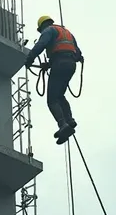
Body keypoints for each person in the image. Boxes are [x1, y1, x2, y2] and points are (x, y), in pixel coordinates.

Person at [25, 15, 83, 145]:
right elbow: (76, 53)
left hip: (59, 64)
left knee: (52, 100)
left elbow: (42, 44)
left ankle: (63, 125)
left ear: (42, 26)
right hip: (70, 65)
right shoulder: (67, 33)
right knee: (60, 95)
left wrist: (30, 58)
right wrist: (50, 64)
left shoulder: (49, 31)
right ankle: (69, 120)